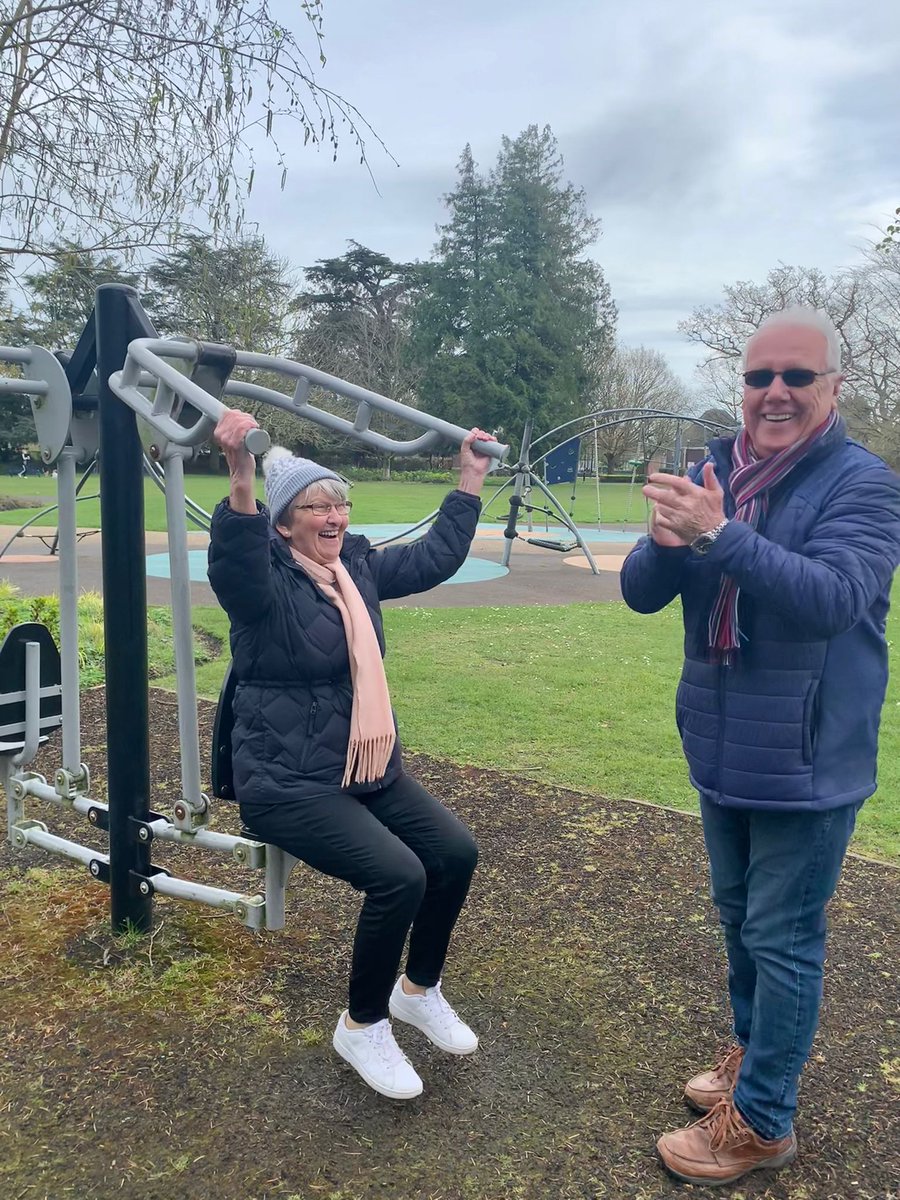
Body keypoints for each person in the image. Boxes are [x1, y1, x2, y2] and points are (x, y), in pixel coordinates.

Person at [620, 306, 900, 1185]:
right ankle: (753, 1061)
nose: (774, 393)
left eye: (795, 377)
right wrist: (669, 545)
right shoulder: (718, 470)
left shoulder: (864, 482)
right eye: (757, 377)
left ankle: (766, 1122)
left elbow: (829, 599)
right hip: (723, 740)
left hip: (810, 755)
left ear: (832, 388)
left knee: (783, 939)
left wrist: (716, 532)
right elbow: (639, 592)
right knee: (740, 922)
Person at [209, 409, 494, 1101]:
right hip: (286, 780)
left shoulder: (356, 568)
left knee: (454, 853)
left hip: (362, 766)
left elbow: (433, 558)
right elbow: (236, 561)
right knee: (400, 876)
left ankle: (416, 991)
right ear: (284, 522)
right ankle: (361, 1024)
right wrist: (241, 475)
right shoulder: (263, 586)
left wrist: (470, 478)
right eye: (317, 505)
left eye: (341, 502)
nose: (334, 515)